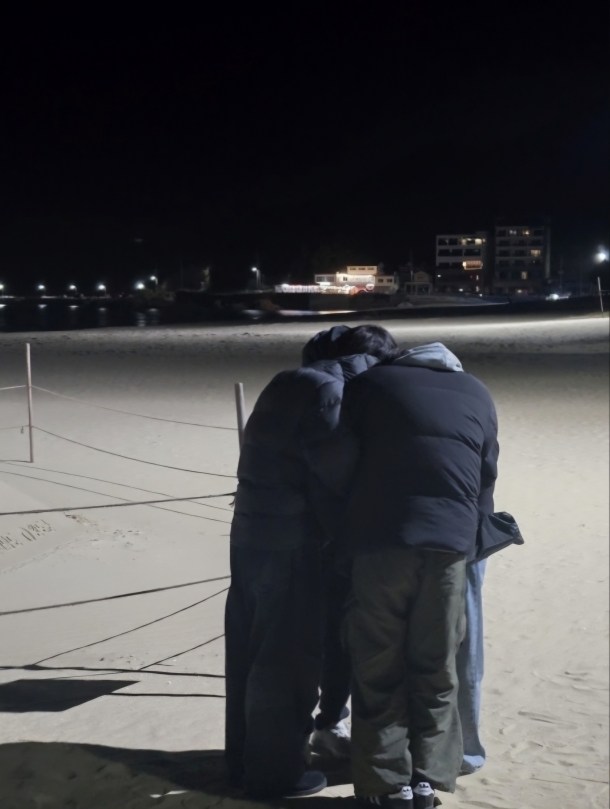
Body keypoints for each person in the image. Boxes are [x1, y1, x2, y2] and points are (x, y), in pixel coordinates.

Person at [225, 324, 398, 800]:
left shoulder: (287, 381)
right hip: (294, 539)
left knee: (249, 653)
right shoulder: (329, 392)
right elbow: (338, 476)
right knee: (287, 659)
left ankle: (242, 762)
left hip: (251, 532)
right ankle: (276, 773)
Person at [341, 342, 499, 808]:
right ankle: (429, 780)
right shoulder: (478, 391)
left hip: (383, 540)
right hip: (450, 544)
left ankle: (388, 784)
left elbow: (341, 460)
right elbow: (486, 477)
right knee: (436, 665)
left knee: (379, 663)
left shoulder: (369, 384)